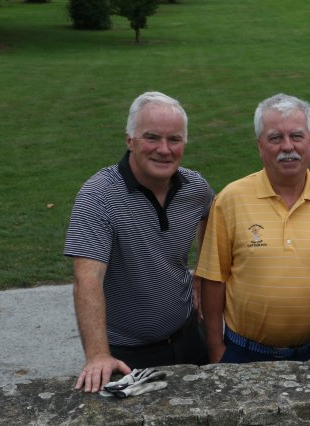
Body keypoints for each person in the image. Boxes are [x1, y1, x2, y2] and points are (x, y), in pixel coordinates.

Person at [63, 91, 215, 393]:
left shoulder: (195, 188)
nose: (164, 149)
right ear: (129, 140)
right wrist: (98, 355)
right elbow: (87, 278)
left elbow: (212, 218)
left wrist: (203, 271)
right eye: (151, 138)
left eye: (174, 139)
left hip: (189, 339)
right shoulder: (99, 196)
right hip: (127, 353)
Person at [196, 93, 310, 363]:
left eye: (297, 136)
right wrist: (216, 349)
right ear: (260, 145)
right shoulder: (230, 199)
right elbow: (214, 280)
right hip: (244, 353)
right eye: (275, 138)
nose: (287, 147)